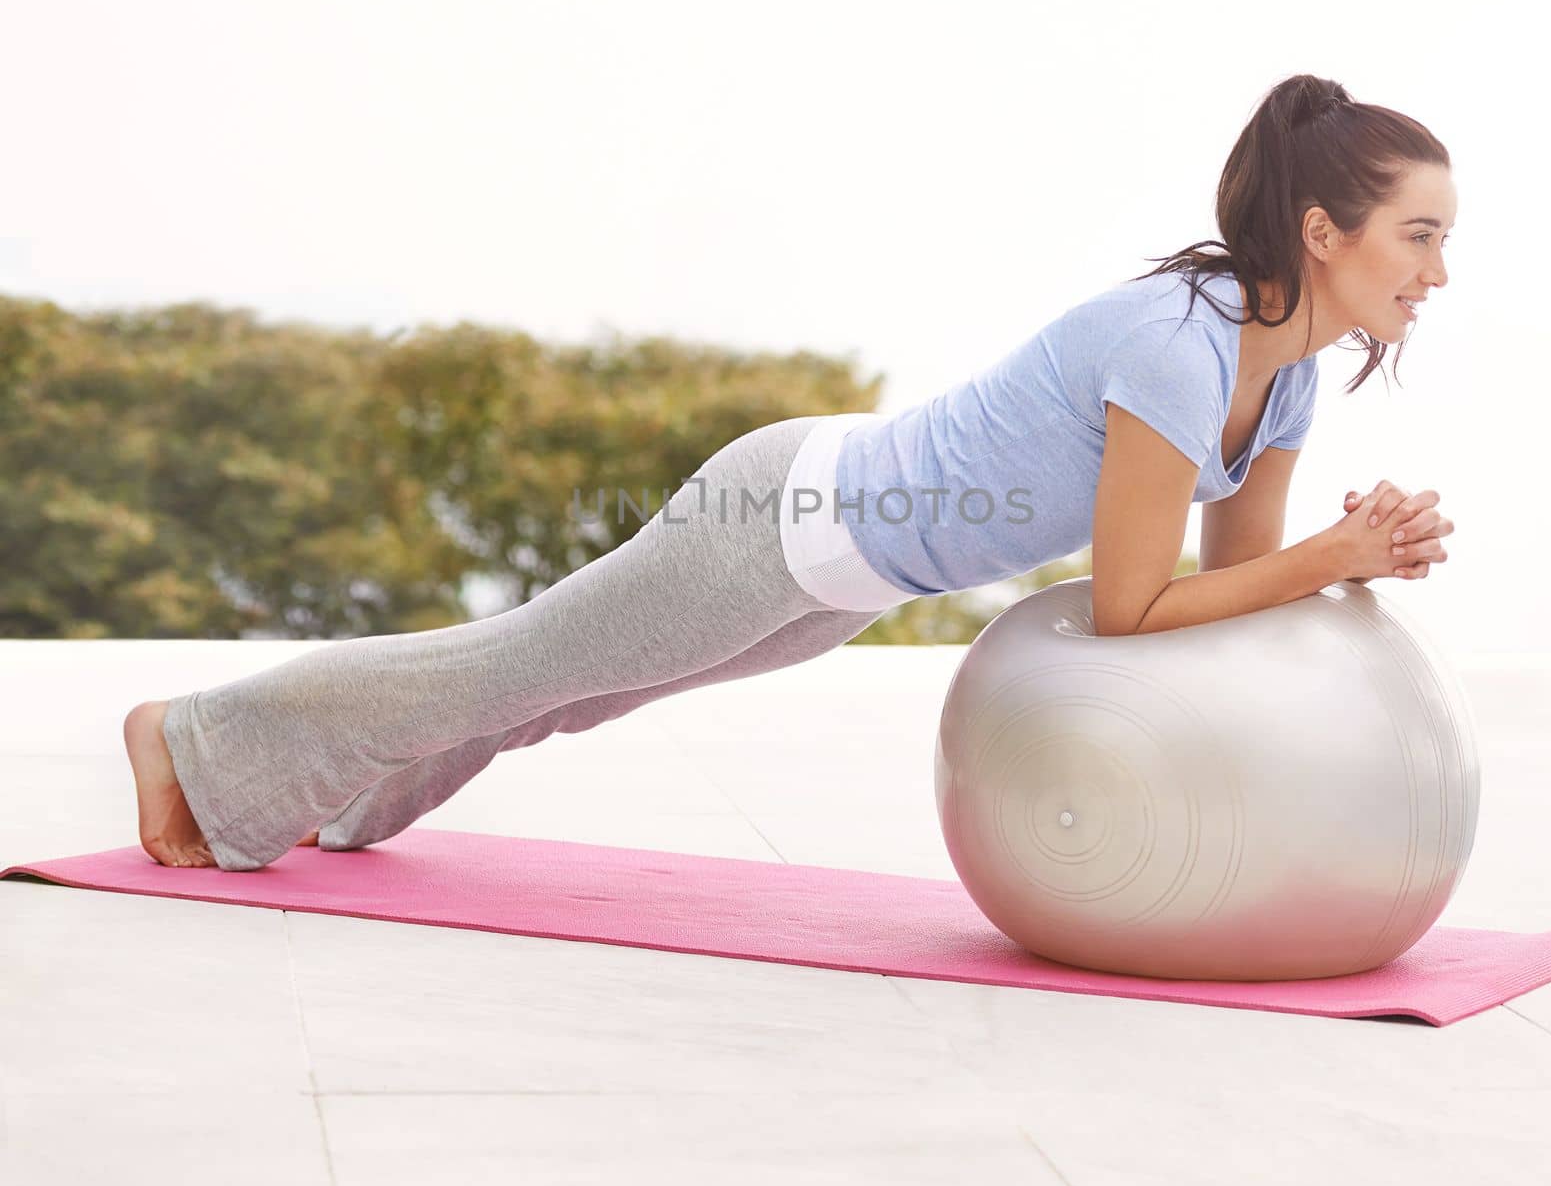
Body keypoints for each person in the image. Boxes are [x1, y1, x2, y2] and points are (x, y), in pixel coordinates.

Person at [124, 72, 1456, 871]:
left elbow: (1233, 581)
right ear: (1325, 230)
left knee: (561, 696)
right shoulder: (1183, 344)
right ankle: (191, 737)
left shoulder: (1281, 382)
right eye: (1419, 235)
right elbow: (1131, 611)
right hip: (783, 520)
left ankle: (325, 804)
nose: (1437, 272)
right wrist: (1332, 560)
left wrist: (1356, 550)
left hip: (840, 582)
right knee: (514, 665)